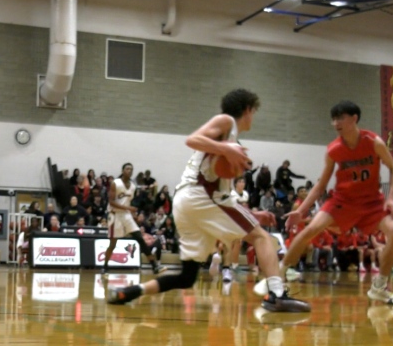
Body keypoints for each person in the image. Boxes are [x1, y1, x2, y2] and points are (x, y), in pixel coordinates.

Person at [107, 89, 306, 312]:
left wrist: (252, 213)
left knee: (186, 277)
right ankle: (277, 294)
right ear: (248, 110)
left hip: (187, 203)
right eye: (254, 112)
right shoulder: (226, 121)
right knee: (262, 237)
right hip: (199, 196)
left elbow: (223, 194)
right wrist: (226, 148)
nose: (254, 117)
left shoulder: (230, 140)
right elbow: (192, 139)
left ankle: (130, 292)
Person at [279, 101, 393, 305]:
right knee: (310, 229)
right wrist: (301, 211)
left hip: (372, 202)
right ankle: (277, 277)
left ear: (354, 118)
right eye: (334, 119)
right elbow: (321, 185)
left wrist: (391, 197)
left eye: (340, 118)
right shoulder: (334, 150)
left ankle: (380, 287)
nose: (335, 123)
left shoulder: (374, 142)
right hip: (343, 201)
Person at [100, 163, 165, 275]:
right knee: (113, 244)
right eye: (127, 168)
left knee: (140, 238)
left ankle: (154, 266)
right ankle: (105, 266)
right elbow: (111, 202)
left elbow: (128, 202)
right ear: (123, 170)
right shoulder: (116, 183)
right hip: (115, 215)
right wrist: (128, 208)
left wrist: (132, 213)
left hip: (126, 214)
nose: (129, 171)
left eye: (131, 169)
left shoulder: (133, 186)